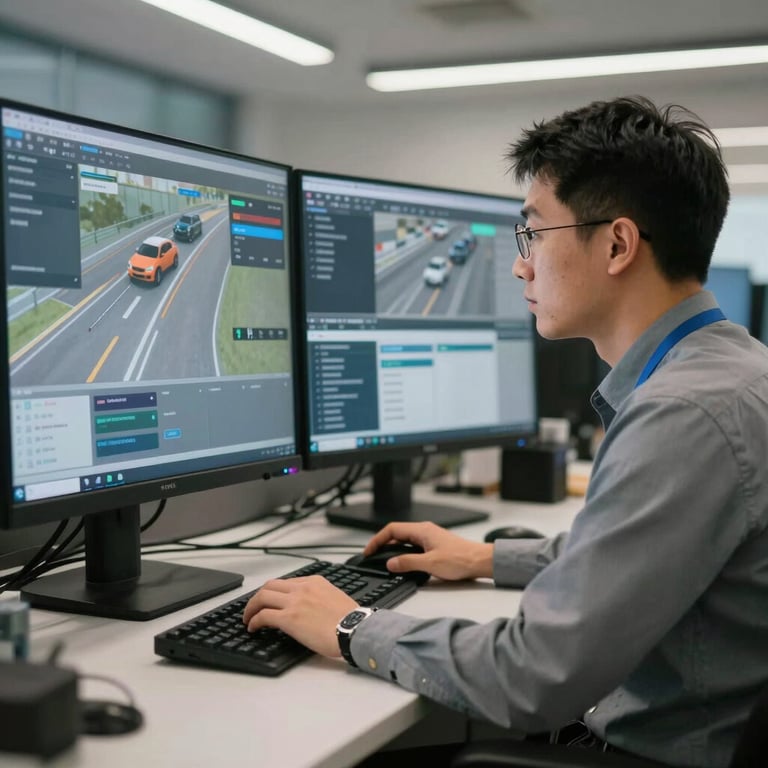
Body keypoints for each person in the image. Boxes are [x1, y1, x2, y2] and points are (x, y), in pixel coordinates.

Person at [243, 96, 768, 768]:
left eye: (534, 234)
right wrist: (485, 558)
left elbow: (533, 675)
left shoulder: (684, 414)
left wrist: (350, 625)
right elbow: (637, 555)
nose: (521, 265)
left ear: (617, 244)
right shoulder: (734, 371)